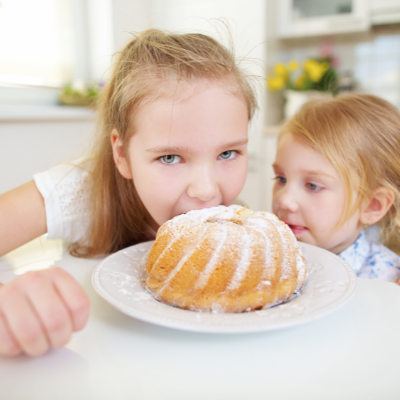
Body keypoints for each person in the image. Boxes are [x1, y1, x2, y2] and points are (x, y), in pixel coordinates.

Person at [0, 29, 257, 356]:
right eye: (169, 157)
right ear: (122, 155)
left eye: (227, 154)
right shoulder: (81, 190)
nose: (206, 191)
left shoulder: (238, 225)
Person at [272, 93, 400, 283]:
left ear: (372, 205)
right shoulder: (267, 259)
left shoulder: (388, 286)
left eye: (313, 186)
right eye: (281, 178)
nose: (284, 200)